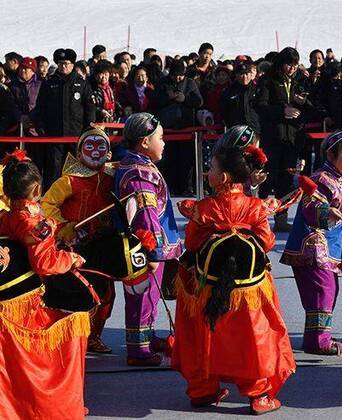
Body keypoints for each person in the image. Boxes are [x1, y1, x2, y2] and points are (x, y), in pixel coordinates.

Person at [172, 144, 295, 415]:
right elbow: (266, 242)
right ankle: (258, 394)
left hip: (209, 283)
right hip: (248, 286)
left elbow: (191, 242)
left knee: (204, 331)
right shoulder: (254, 207)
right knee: (252, 336)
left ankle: (202, 389)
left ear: (224, 178)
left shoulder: (204, 208)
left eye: (212, 169)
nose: (208, 173)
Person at [0, 150, 88, 419]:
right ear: (38, 188)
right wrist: (71, 258)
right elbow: (46, 264)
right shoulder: (34, 222)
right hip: (24, 301)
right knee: (70, 334)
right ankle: (56, 406)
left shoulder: (9, 215)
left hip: (6, 297)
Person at [113, 112, 183, 366]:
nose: (164, 143)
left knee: (148, 296)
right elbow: (146, 216)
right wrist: (153, 252)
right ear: (144, 142)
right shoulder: (140, 174)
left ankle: (146, 336)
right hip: (145, 247)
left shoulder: (135, 165)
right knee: (142, 295)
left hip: (144, 245)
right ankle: (139, 348)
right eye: (160, 138)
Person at [281, 130, 342, 355]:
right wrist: (326, 212)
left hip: (326, 248)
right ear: (331, 155)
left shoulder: (338, 179)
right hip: (312, 248)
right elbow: (309, 207)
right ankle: (319, 341)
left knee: (328, 291)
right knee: (323, 291)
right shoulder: (321, 179)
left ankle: (316, 336)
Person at [41, 126, 117, 354]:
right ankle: (71, 337)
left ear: (109, 152)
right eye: (89, 146)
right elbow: (46, 205)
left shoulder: (111, 177)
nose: (95, 151)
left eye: (101, 146)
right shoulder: (68, 180)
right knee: (76, 292)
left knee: (106, 293)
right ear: (79, 151)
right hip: (74, 246)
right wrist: (65, 227)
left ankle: (94, 336)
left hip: (101, 244)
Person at [256, 47, 313, 232]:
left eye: (295, 65)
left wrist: (303, 103)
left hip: (293, 138)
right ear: (281, 64)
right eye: (289, 64)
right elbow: (260, 106)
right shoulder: (268, 81)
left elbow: (313, 109)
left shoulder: (301, 82)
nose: (292, 69)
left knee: (287, 180)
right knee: (267, 178)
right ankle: (260, 218)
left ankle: (281, 218)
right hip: (273, 137)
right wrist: (282, 111)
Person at [30, 48, 96, 189]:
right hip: (54, 137)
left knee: (77, 172)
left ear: (72, 64)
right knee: (53, 172)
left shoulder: (82, 84)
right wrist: (41, 127)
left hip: (76, 137)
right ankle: (49, 204)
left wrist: (88, 129)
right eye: (60, 63)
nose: (63, 66)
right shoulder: (49, 83)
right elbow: (40, 108)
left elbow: (90, 108)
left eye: (66, 63)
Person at [150, 59, 203, 196]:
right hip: (168, 129)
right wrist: (169, 98)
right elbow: (154, 102)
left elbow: (199, 101)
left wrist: (184, 99)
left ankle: (187, 187)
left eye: (180, 75)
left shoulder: (190, 83)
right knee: (170, 159)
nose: (178, 78)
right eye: (175, 75)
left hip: (187, 128)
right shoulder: (163, 83)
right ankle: (170, 187)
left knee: (187, 160)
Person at [219, 63, 260, 132]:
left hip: (255, 128)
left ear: (251, 74)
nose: (244, 77)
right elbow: (224, 110)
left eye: (247, 74)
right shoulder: (229, 91)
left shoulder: (258, 89)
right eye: (241, 74)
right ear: (236, 75)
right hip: (236, 129)